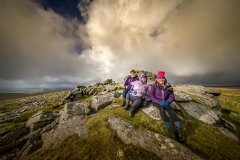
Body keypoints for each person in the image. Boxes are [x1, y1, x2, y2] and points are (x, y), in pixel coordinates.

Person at [149, 71, 185, 142]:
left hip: (166, 102)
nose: (161, 80)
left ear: (164, 78)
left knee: (171, 111)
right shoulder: (154, 86)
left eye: (162, 78)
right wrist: (158, 102)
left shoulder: (168, 86)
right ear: (157, 79)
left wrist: (167, 102)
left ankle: (179, 129)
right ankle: (169, 129)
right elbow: (151, 95)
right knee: (161, 110)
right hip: (157, 102)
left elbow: (172, 96)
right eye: (160, 78)